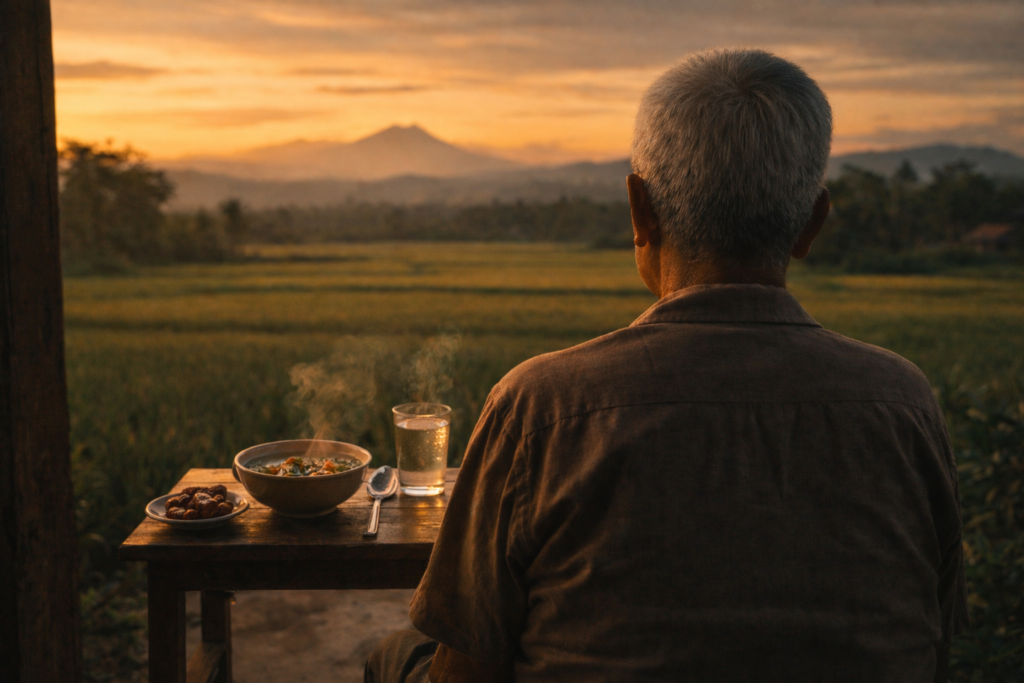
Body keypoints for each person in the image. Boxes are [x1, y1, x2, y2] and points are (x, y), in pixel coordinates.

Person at [365, 48, 968, 683]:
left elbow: (467, 672)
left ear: (639, 210)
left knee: (391, 655)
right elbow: (933, 643)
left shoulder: (541, 406)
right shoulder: (905, 404)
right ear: (811, 224)